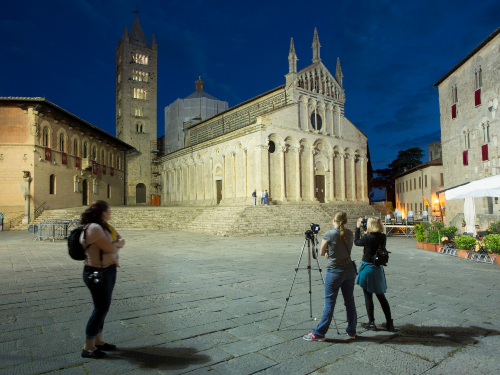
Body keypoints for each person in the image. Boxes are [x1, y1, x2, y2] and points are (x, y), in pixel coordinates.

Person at [80, 200, 125, 358]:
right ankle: (88, 347)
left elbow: (121, 240)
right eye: (109, 210)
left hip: (108, 269)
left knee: (103, 308)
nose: (110, 212)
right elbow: (112, 247)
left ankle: (98, 340)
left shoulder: (105, 226)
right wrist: (116, 245)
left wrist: (116, 244)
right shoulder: (93, 228)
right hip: (97, 272)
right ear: (102, 212)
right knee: (100, 309)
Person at [304, 211, 357, 341]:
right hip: (349, 270)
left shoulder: (329, 234)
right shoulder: (350, 233)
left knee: (329, 303)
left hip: (335, 271)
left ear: (334, 220)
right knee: (350, 302)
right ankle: (351, 332)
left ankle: (319, 333)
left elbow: (322, 252)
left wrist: (329, 253)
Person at [354, 217, 394, 332]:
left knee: (368, 296)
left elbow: (356, 242)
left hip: (367, 267)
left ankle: (372, 323)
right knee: (381, 296)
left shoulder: (367, 238)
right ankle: (389, 323)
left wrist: (358, 228)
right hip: (378, 267)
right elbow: (374, 240)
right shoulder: (382, 236)